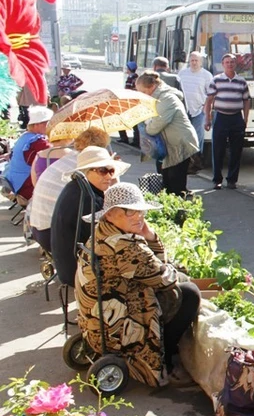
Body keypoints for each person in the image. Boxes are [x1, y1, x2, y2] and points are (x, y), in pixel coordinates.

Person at [76, 182, 200, 387]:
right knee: (189, 293)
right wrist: (153, 240)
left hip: (97, 319)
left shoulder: (102, 231)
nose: (138, 217)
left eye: (140, 211)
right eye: (129, 212)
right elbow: (165, 278)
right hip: (116, 329)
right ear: (109, 214)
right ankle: (165, 359)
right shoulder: (126, 246)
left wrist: (148, 237)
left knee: (178, 287)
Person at [50, 146, 128, 289]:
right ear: (86, 171)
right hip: (77, 270)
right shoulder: (89, 199)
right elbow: (105, 240)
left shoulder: (77, 186)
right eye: (102, 171)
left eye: (111, 171)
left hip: (66, 264)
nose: (109, 176)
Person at [28, 127, 109, 253]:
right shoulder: (85, 166)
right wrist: (112, 173)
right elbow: (109, 196)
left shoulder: (70, 158)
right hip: (54, 234)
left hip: (38, 228)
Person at [137, 70, 199, 196]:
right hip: (170, 146)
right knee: (167, 184)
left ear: (153, 86)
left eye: (143, 91)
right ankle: (175, 210)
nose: (142, 95)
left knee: (175, 185)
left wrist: (146, 126)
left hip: (180, 145)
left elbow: (156, 125)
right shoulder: (158, 98)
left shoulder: (167, 98)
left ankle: (180, 211)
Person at [204, 53, 250, 190]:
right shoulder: (216, 80)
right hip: (221, 117)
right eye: (227, 62)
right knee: (218, 150)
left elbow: (246, 101)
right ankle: (217, 180)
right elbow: (209, 100)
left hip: (236, 118)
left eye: (232, 62)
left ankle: (232, 180)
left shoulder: (241, 81)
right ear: (223, 64)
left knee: (236, 151)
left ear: (235, 64)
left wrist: (245, 119)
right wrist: (207, 118)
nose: (230, 64)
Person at [1, 105, 53, 202]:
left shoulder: (25, 137)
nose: (50, 126)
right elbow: (54, 154)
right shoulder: (37, 141)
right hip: (25, 187)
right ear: (36, 124)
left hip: (15, 183)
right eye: (47, 123)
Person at [177, 51, 213, 172]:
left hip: (199, 110)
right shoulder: (182, 74)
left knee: (197, 137)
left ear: (201, 62)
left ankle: (196, 162)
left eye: (196, 60)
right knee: (184, 136)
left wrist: (206, 108)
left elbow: (210, 94)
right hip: (184, 110)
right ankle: (185, 162)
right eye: (192, 60)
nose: (194, 63)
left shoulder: (207, 75)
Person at [119, 61, 139, 146]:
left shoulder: (134, 78)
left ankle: (132, 140)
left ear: (129, 69)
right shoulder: (132, 77)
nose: (126, 69)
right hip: (130, 102)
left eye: (127, 68)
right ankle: (130, 139)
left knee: (133, 122)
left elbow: (132, 90)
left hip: (132, 103)